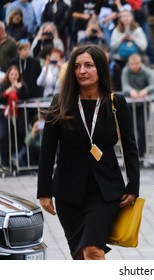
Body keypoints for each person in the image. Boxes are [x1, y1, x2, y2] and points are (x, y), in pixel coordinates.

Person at [37, 44, 140, 260]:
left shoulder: (115, 102)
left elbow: (129, 145)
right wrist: (44, 191)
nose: (82, 71)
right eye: (77, 66)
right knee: (80, 257)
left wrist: (134, 185)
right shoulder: (61, 102)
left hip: (106, 191)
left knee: (93, 251)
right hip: (69, 193)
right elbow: (47, 149)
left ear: (100, 68)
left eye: (89, 65)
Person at [121, 53, 154, 158]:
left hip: (143, 106)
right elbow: (125, 86)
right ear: (129, 64)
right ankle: (130, 154)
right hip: (129, 105)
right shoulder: (125, 71)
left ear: (140, 63)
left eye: (137, 63)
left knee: (142, 129)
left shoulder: (146, 71)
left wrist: (145, 90)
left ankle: (141, 154)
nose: (135, 66)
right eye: (132, 64)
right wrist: (131, 91)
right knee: (129, 130)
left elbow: (153, 85)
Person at [0, 64, 27, 170]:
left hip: (18, 116)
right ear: (8, 75)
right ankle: (5, 161)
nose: (14, 76)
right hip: (5, 116)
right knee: (4, 137)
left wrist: (20, 89)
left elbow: (26, 96)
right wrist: (8, 91)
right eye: (12, 74)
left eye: (16, 74)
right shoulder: (3, 84)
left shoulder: (21, 85)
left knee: (18, 135)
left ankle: (14, 157)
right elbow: (1, 98)